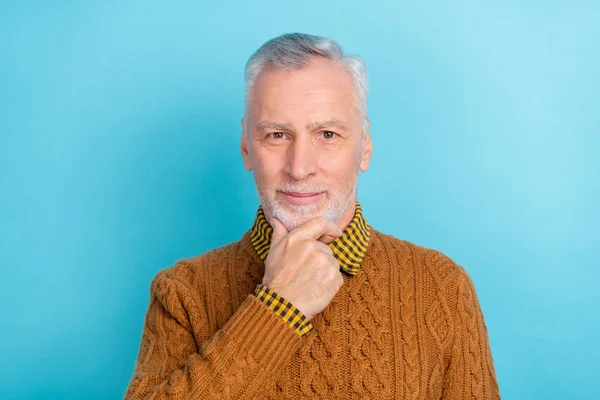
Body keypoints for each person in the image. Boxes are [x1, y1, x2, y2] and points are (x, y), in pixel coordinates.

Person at [124, 33, 501, 399]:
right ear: (245, 147)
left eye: (327, 134)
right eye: (277, 135)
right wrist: (277, 307)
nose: (300, 168)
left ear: (364, 147)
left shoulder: (442, 286)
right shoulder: (181, 293)